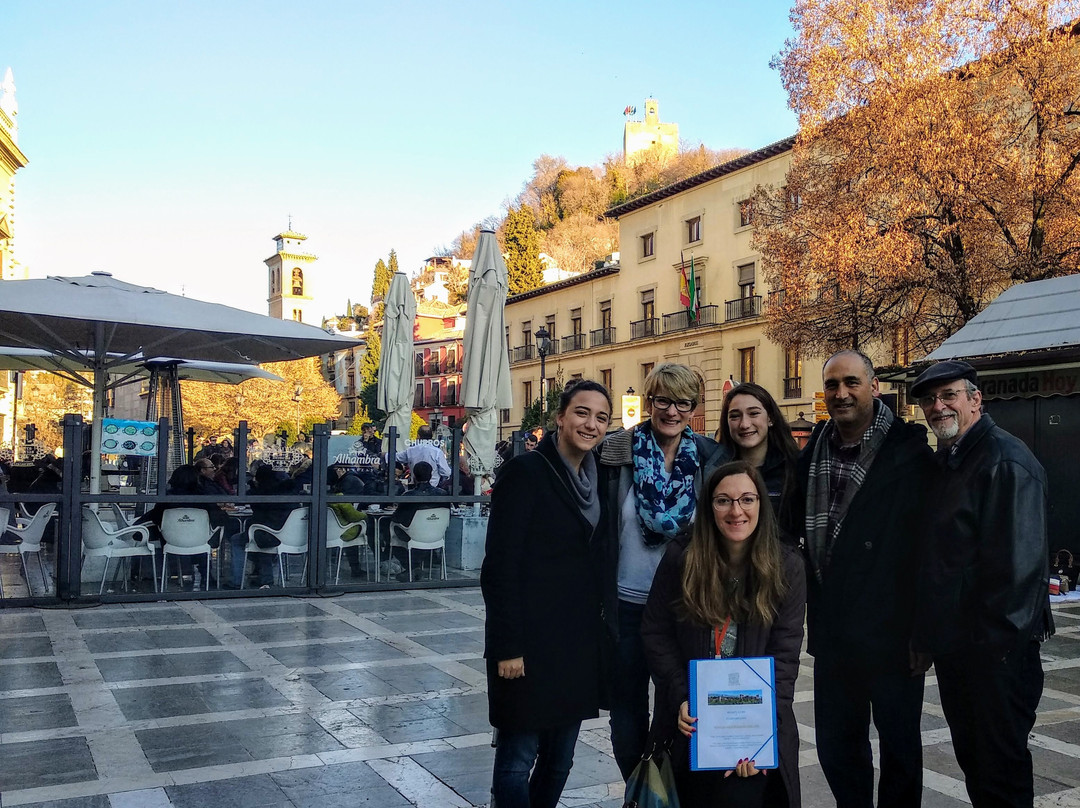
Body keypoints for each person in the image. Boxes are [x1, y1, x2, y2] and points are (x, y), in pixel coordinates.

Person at [783, 350, 933, 808]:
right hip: (834, 633)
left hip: (894, 633)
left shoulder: (911, 456)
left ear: (874, 388)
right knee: (836, 746)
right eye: (832, 385)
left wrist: (924, 631)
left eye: (851, 383)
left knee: (900, 750)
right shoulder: (810, 458)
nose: (841, 393)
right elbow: (790, 532)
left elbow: (930, 551)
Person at [911, 360, 1055, 807]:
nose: (938, 407)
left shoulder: (1005, 460)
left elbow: (1018, 575)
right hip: (964, 652)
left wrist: (991, 659)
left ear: (975, 399)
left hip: (995, 659)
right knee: (980, 769)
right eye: (930, 400)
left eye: (949, 395)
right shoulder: (953, 460)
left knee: (1001, 776)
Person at [642, 461, 806, 807]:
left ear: (761, 504)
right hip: (691, 724)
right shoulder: (681, 558)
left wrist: (762, 737)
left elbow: (785, 655)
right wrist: (681, 697)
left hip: (753, 734)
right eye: (723, 501)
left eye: (747, 499)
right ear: (709, 507)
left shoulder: (786, 565)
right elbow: (656, 632)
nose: (737, 511)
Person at [482, 379, 612, 808]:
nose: (590, 424)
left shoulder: (595, 481)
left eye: (601, 417)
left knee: (560, 760)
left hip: (574, 645)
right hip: (529, 644)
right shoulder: (526, 472)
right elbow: (500, 566)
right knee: (519, 756)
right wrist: (508, 647)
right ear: (559, 417)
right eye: (581, 412)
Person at [596, 362, 730, 779]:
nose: (672, 411)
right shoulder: (616, 453)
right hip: (626, 603)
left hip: (685, 605)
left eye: (683, 403)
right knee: (626, 714)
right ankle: (639, 788)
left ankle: (668, 791)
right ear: (650, 401)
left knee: (680, 705)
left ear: (694, 407)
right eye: (663, 400)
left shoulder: (709, 458)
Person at [717, 382, 799, 518]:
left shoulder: (795, 469)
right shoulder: (713, 469)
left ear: (770, 418)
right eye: (735, 416)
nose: (744, 424)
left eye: (754, 413)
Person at [385, 461, 451, 580]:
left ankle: (412, 567)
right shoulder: (443, 494)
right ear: (431, 475)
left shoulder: (409, 496)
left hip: (414, 535)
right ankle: (414, 568)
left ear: (414, 475)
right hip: (437, 535)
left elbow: (398, 518)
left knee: (390, 532)